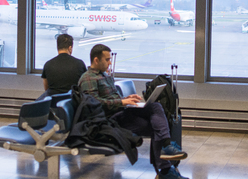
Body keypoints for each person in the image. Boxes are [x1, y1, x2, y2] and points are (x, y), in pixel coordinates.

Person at [78, 44, 189, 179]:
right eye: (107, 59)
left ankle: (166, 152)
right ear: (96, 60)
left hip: (121, 112)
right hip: (110, 120)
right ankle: (165, 169)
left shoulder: (104, 76)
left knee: (155, 107)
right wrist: (121, 102)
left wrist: (126, 99)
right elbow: (93, 103)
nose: (109, 62)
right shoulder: (88, 78)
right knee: (155, 126)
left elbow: (109, 98)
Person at [37, 34, 87, 100]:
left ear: (57, 47)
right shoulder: (79, 64)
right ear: (70, 48)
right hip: (72, 102)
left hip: (53, 103)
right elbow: (84, 85)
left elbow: (46, 88)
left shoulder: (48, 64)